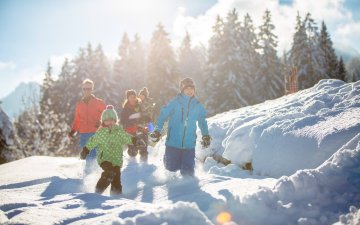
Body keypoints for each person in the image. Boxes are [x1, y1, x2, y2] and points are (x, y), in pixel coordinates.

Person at [150, 77, 211, 176]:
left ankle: (188, 189)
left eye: (192, 88)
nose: (189, 91)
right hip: (173, 142)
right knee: (171, 168)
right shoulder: (175, 102)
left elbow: (202, 121)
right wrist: (157, 130)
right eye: (187, 88)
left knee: (188, 173)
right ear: (182, 90)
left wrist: (205, 135)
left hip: (189, 144)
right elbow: (162, 116)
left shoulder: (197, 105)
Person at [80, 105, 140, 195]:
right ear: (103, 121)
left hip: (117, 160)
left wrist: (136, 140)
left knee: (116, 181)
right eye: (107, 120)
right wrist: (85, 150)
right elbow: (91, 142)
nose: (110, 122)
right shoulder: (100, 133)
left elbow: (127, 137)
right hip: (104, 159)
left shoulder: (119, 131)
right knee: (109, 173)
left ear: (115, 121)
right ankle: (97, 192)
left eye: (112, 120)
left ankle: (116, 197)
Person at [68, 79, 106, 176]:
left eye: (89, 88)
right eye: (85, 88)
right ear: (82, 89)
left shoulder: (99, 102)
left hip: (96, 132)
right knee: (88, 155)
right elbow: (77, 119)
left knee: (92, 154)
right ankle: (92, 174)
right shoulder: (79, 104)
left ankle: (89, 175)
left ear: (92, 89)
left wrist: (101, 123)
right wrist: (73, 131)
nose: (87, 91)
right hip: (84, 134)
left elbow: (107, 116)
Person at [121, 89, 149, 162]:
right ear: (128, 98)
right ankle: (132, 166)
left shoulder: (140, 106)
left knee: (143, 148)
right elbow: (122, 121)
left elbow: (145, 116)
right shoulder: (125, 109)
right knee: (133, 152)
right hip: (130, 132)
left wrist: (144, 121)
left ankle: (144, 163)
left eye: (134, 96)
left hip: (141, 130)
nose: (133, 99)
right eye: (131, 97)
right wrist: (130, 122)